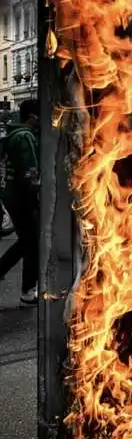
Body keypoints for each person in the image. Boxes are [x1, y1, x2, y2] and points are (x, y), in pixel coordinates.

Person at [0, 99, 40, 304]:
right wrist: (37, 196)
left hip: (12, 196)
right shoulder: (24, 137)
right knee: (32, 243)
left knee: (25, 241)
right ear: (33, 116)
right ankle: (28, 290)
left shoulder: (12, 134)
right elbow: (29, 173)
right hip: (22, 198)